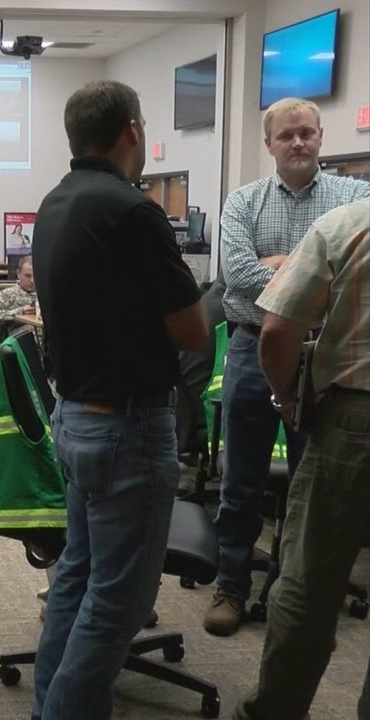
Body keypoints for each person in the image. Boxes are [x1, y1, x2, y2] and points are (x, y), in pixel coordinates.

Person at [30, 80, 207, 720]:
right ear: (132, 130)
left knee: (78, 578)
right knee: (118, 603)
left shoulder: (56, 201)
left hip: (76, 419)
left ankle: (49, 706)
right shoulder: (134, 212)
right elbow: (192, 331)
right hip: (126, 429)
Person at [205, 97, 370, 637]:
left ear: (321, 137)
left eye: (306, 133)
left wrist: (278, 265)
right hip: (252, 349)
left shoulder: (356, 196)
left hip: (325, 357)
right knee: (239, 480)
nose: (298, 142)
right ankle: (231, 587)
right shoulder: (243, 200)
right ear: (269, 143)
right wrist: (317, 272)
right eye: (286, 135)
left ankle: (288, 592)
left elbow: (355, 276)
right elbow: (237, 274)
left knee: (309, 486)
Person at [236, 200, 370, 720]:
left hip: (354, 421)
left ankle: (275, 711)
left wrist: (287, 398)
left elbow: (276, 330)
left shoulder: (346, 225)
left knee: (310, 580)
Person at [0, 255, 37, 337]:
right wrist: (20, 312)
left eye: (36, 276)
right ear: (18, 274)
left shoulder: (48, 294)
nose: (32, 281)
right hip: (23, 336)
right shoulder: (8, 294)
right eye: (27, 276)